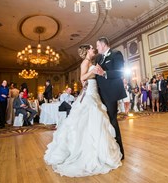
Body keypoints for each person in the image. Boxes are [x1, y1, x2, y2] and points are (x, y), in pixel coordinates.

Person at [44, 44, 122, 177]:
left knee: (98, 118)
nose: (94, 50)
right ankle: (85, 151)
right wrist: (94, 71)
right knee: (88, 118)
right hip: (90, 93)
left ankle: (99, 150)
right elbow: (82, 78)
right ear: (87, 51)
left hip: (95, 92)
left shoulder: (92, 61)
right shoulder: (85, 62)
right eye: (92, 48)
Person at [94, 36, 126, 160]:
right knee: (104, 121)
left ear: (103, 44)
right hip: (101, 93)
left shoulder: (116, 54)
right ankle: (108, 150)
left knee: (112, 120)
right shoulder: (99, 58)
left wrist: (104, 73)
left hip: (111, 93)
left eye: (97, 45)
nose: (97, 48)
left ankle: (120, 152)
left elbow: (120, 72)